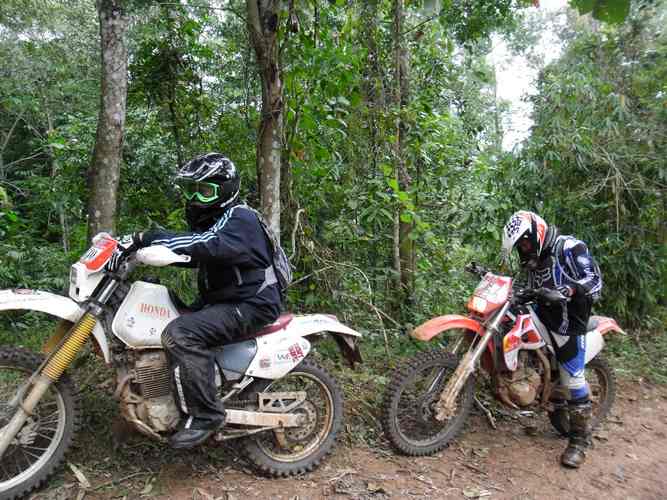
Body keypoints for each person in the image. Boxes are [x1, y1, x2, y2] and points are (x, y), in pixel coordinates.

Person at [126, 153, 282, 449]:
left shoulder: (241, 218)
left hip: (252, 303)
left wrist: (147, 237)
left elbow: (207, 245)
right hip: (226, 299)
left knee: (180, 333)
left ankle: (206, 415)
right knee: (167, 314)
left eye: (205, 191)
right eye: (191, 190)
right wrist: (138, 252)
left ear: (226, 190)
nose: (196, 199)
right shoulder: (217, 221)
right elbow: (200, 253)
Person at [502, 210, 602, 468]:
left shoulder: (569, 247)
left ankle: (579, 442)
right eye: (519, 247)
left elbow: (594, 280)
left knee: (574, 379)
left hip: (569, 322)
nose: (522, 250)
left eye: (524, 244)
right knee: (509, 321)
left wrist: (568, 290)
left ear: (535, 235)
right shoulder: (533, 258)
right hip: (543, 313)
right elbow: (529, 287)